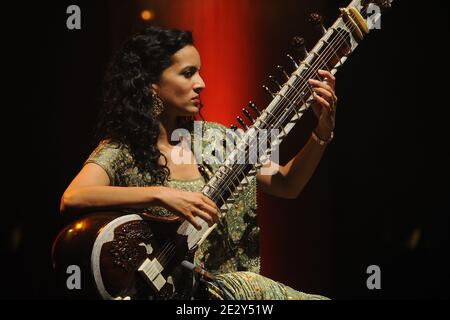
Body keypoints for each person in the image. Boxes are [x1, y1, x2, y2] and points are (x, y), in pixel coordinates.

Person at [60, 26, 338, 300]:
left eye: (199, 72)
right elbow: (74, 197)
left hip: (229, 290)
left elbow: (287, 184)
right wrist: (162, 194)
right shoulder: (123, 150)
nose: (201, 83)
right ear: (151, 83)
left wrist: (322, 132)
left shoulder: (216, 140)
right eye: (188, 73)